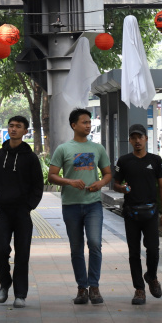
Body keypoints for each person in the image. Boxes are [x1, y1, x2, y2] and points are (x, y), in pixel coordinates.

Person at [48, 108, 112, 305]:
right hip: (71, 205)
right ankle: (81, 288)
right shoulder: (63, 149)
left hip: (93, 205)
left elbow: (108, 174)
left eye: (89, 122)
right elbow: (52, 175)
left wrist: (100, 184)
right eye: (84, 122)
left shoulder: (98, 149)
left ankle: (94, 286)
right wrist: (70, 182)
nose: (88, 125)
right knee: (76, 248)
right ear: (73, 125)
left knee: (94, 243)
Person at [0, 116, 44, 308]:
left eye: (18, 127)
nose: (14, 129)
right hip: (2, 211)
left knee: (22, 254)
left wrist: (28, 206)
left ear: (26, 131)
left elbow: (38, 186)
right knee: (0, 248)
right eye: (11, 126)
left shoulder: (31, 158)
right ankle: (4, 282)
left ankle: (20, 294)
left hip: (22, 212)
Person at [113, 124, 162, 305]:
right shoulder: (124, 161)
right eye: (133, 137)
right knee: (133, 252)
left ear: (146, 138)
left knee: (153, 250)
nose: (137, 141)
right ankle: (139, 289)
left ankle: (151, 277)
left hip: (151, 212)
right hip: (131, 213)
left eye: (140, 137)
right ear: (130, 140)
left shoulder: (156, 160)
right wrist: (121, 188)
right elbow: (115, 183)